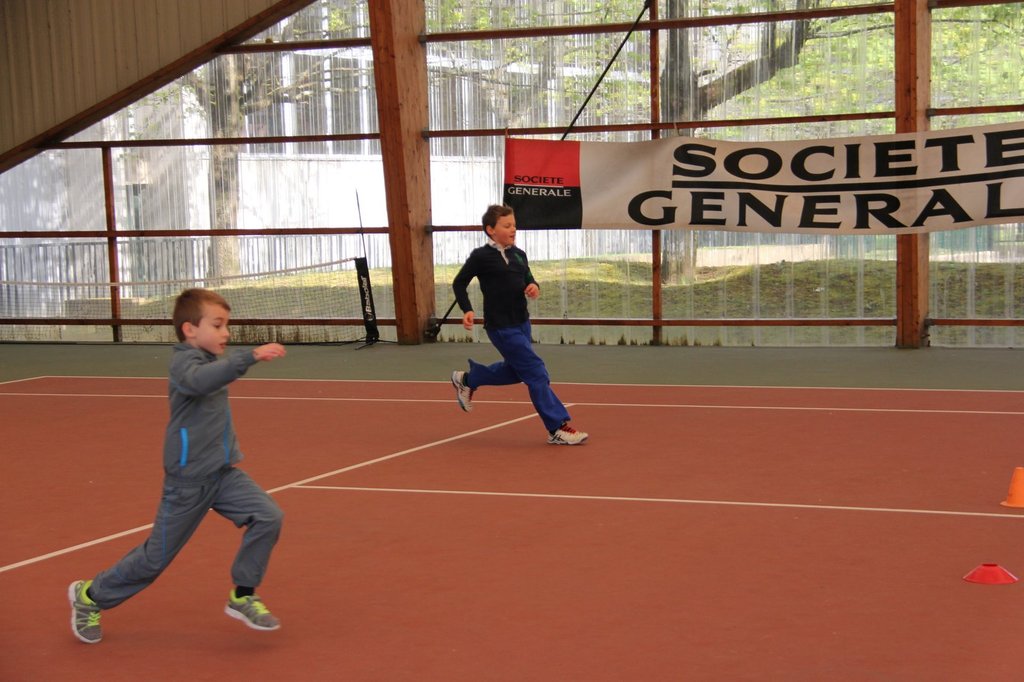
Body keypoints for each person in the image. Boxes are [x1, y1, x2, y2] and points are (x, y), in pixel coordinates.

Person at [68, 288, 287, 644]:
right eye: (217, 325)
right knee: (154, 560)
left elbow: (215, 377)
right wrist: (249, 357)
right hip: (187, 484)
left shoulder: (213, 362)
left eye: (226, 325)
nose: (226, 332)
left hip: (223, 474)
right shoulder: (184, 366)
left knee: (268, 516)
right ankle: (90, 596)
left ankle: (243, 594)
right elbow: (200, 382)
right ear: (189, 329)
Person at [449, 203, 588, 446]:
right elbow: (459, 283)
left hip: (522, 323)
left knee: (517, 370)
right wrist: (467, 309)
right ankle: (557, 427)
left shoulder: (519, 255)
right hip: (501, 327)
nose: (513, 229)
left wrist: (533, 287)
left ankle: (469, 380)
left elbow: (529, 278)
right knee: (536, 371)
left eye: (514, 225)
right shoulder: (480, 257)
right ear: (491, 229)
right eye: (506, 225)